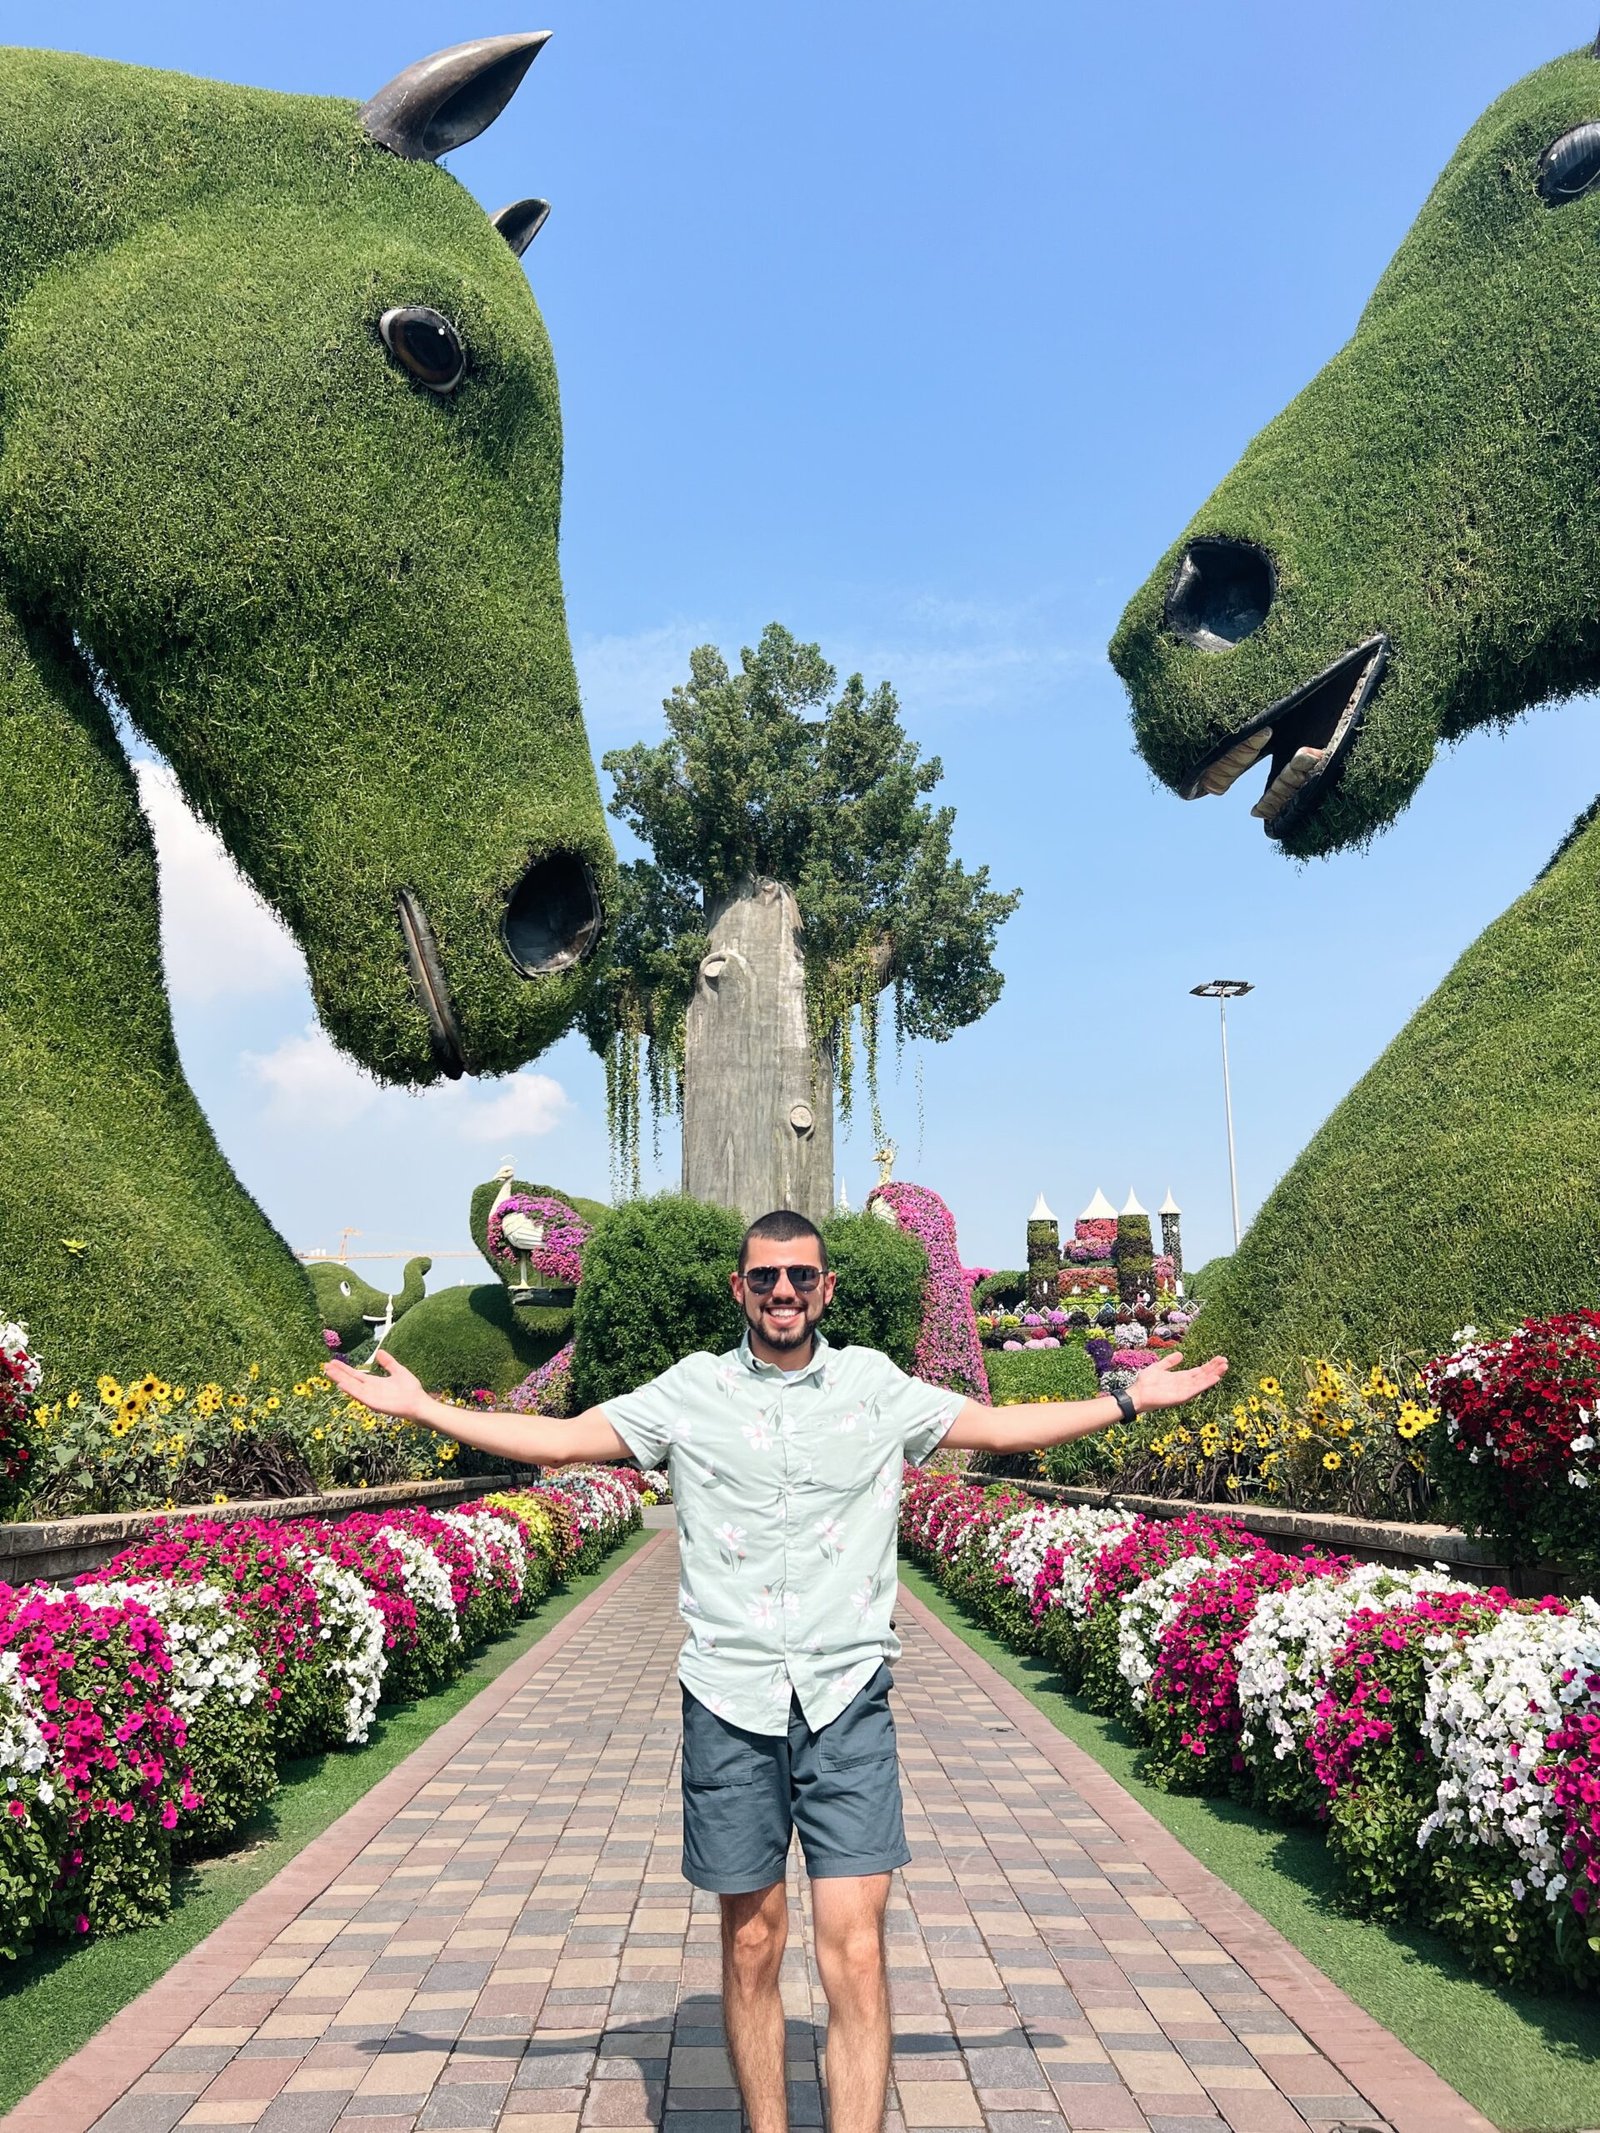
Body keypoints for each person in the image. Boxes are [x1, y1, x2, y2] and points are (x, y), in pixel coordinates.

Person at [326, 1209, 1227, 2133]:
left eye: (800, 1275)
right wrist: (426, 1408)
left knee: (856, 1949)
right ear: (740, 1288)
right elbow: (560, 1441)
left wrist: (1129, 1399)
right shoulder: (692, 1390)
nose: (783, 1291)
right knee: (753, 1942)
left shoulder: (875, 1385)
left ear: (826, 1288)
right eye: (765, 1277)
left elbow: (995, 1428)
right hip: (730, 1700)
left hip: (848, 1699)